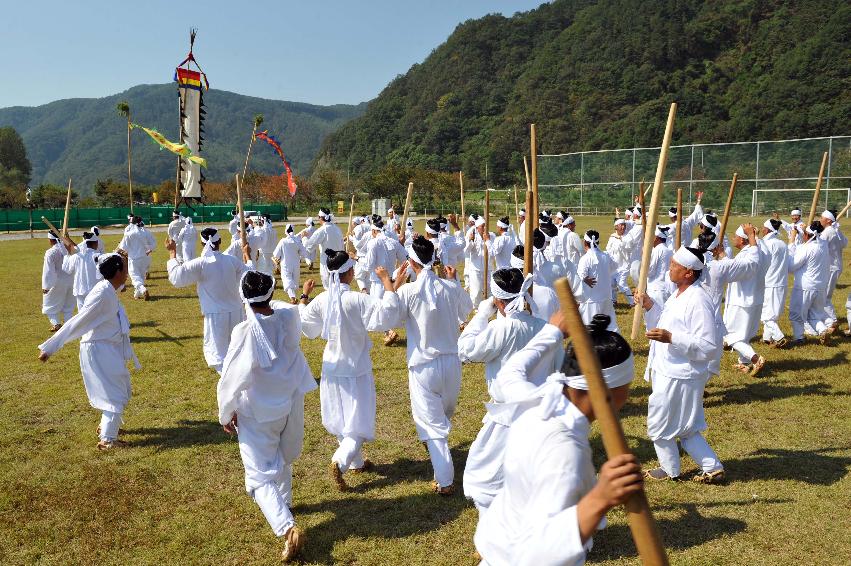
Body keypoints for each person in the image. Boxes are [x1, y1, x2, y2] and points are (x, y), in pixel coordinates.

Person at [474, 314, 642, 565]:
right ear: (612, 391)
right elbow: (537, 554)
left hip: (500, 547)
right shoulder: (565, 452)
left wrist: (552, 332)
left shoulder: (535, 401)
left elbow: (510, 372)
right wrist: (601, 498)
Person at [216, 270, 316, 562]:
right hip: (290, 402)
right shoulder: (288, 318)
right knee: (282, 460)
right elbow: (284, 305)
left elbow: (232, 377)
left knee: (258, 478)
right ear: (272, 293)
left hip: (259, 412)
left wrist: (226, 412)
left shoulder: (244, 331)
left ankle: (286, 527)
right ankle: (285, 503)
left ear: (243, 297)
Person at [378, 236, 474, 494]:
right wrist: (454, 281)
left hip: (424, 366)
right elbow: (467, 310)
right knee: (441, 418)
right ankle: (437, 455)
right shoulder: (449, 288)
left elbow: (389, 318)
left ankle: (444, 480)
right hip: (452, 365)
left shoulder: (408, 292)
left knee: (433, 426)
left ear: (411, 262)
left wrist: (391, 285)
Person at [299, 251, 398, 490]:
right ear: (350, 273)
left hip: (331, 370)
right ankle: (341, 461)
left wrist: (304, 296)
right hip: (356, 369)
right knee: (359, 423)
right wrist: (388, 284)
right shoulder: (356, 299)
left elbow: (306, 327)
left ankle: (357, 464)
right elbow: (386, 316)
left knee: (341, 420)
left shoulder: (323, 300)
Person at [458, 268, 547, 513]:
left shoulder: (501, 329)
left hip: (508, 416)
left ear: (497, 300)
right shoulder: (543, 326)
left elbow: (465, 350)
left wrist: (481, 316)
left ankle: (495, 538)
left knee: (483, 480)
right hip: (540, 412)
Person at [636, 245, 725, 483]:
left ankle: (669, 469)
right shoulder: (680, 294)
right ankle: (711, 466)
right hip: (672, 370)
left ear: (688, 273)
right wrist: (649, 306)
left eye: (675, 265)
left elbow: (708, 345)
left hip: (679, 373)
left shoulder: (698, 300)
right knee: (686, 428)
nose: (670, 267)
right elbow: (665, 324)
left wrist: (672, 338)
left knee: (658, 423)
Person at [37, 253, 139, 450]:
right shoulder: (102, 294)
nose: (127, 273)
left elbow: (120, 286)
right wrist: (50, 346)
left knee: (120, 390)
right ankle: (108, 439)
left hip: (107, 348)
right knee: (115, 395)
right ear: (117, 271)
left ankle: (106, 427)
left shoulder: (107, 288)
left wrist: (123, 258)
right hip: (100, 350)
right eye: (124, 269)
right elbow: (78, 321)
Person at [166, 228, 249, 373]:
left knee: (218, 357)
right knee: (238, 353)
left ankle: (233, 388)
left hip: (217, 317)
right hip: (237, 314)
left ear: (201, 244)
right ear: (220, 241)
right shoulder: (231, 260)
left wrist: (172, 253)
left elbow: (176, 278)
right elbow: (249, 275)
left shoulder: (201, 263)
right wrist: (247, 256)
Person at [722, 224, 768, 375]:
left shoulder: (748, 254)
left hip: (741, 300)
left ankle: (755, 358)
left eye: (735, 237)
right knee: (744, 335)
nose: (733, 239)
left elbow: (733, 270)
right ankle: (744, 362)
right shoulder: (763, 250)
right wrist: (753, 235)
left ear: (742, 240)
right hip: (755, 298)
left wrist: (722, 256)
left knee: (731, 335)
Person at [787, 221, 834, 345]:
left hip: (805, 287)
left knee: (796, 313)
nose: (803, 236)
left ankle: (799, 337)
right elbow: (813, 237)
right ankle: (823, 330)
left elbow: (791, 266)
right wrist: (802, 231)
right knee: (813, 315)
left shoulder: (806, 248)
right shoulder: (823, 245)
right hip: (821, 286)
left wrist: (791, 245)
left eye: (805, 234)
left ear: (808, 235)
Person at [577, 230, 618, 331]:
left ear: (585, 243)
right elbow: (614, 268)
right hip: (606, 297)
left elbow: (581, 275)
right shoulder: (606, 256)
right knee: (609, 327)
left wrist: (585, 279)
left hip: (590, 299)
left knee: (589, 328)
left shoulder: (585, 258)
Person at [759, 219, 789, 347]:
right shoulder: (782, 243)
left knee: (766, 315)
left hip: (770, 282)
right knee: (771, 312)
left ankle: (779, 336)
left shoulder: (766, 244)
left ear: (767, 230)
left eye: (763, 228)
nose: (762, 230)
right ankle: (767, 338)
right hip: (781, 282)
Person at [42, 230, 74, 331]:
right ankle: (68, 324)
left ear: (50, 240)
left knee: (50, 304)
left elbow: (48, 271)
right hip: (72, 280)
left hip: (57, 281)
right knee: (68, 306)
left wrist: (46, 286)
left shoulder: (51, 252)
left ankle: (56, 324)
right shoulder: (70, 249)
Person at [819, 209, 847, 328]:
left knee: (825, 296)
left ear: (828, 220)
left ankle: (832, 321)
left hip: (831, 268)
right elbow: (845, 243)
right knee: (824, 295)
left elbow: (819, 247)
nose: (820, 219)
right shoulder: (834, 230)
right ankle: (825, 318)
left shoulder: (828, 232)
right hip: (835, 267)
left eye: (822, 218)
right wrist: (837, 230)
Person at [305, 208, 345, 289]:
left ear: (321, 218)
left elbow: (309, 247)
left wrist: (304, 238)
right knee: (338, 286)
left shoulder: (322, 230)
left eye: (318, 217)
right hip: (339, 262)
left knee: (328, 288)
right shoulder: (337, 229)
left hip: (327, 263)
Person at [61, 231, 103, 310]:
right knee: (95, 313)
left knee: (82, 314)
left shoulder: (76, 256)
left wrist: (68, 254)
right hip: (95, 290)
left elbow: (66, 270)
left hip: (80, 290)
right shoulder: (99, 256)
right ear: (95, 243)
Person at [118, 215, 154, 300]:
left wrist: (116, 252)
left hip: (134, 259)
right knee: (140, 276)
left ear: (132, 223)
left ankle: (142, 289)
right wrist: (149, 249)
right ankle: (137, 294)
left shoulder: (129, 234)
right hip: (145, 258)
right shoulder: (146, 232)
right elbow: (154, 244)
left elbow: (123, 248)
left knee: (134, 277)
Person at [273, 224, 310, 303]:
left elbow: (276, 254)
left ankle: (293, 298)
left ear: (286, 231)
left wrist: (276, 260)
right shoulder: (297, 241)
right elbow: (303, 253)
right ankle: (293, 296)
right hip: (296, 264)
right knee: (294, 281)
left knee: (287, 280)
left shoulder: (283, 241)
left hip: (286, 264)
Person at [464, 215, 494, 303]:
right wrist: (470, 241)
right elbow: (466, 251)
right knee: (476, 290)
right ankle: (476, 307)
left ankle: (489, 305)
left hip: (488, 267)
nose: (484, 228)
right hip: (475, 268)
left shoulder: (491, 235)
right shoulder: (472, 236)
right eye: (482, 226)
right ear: (477, 228)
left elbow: (493, 250)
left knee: (489, 289)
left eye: (485, 226)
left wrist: (487, 240)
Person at [606, 218, 634, 306]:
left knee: (622, 285)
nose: (623, 227)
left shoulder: (628, 236)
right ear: (616, 227)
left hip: (624, 266)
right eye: (620, 225)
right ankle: (614, 301)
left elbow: (629, 247)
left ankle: (632, 302)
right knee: (612, 284)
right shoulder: (612, 236)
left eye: (624, 225)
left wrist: (621, 239)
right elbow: (608, 249)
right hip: (613, 266)